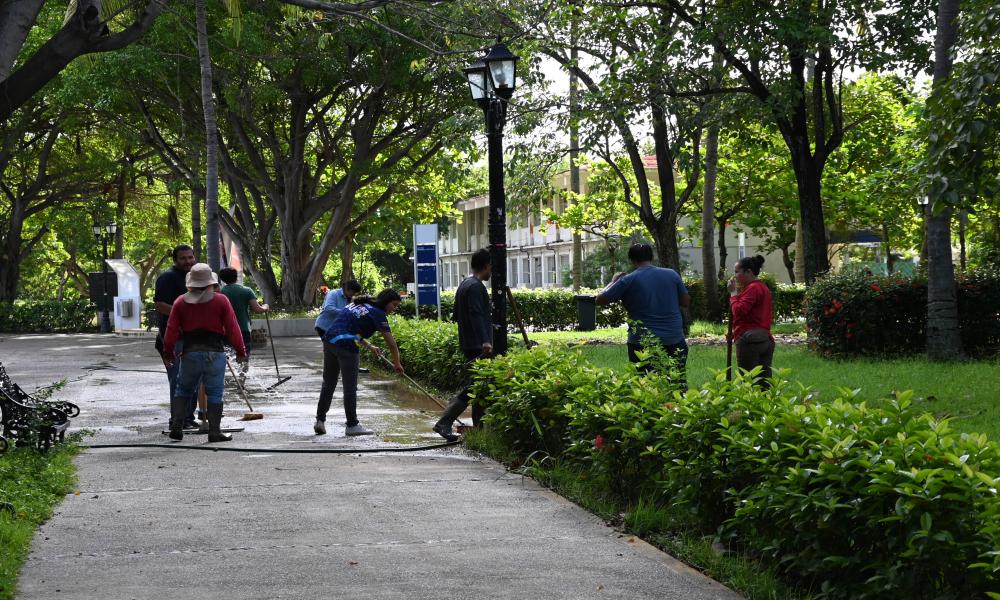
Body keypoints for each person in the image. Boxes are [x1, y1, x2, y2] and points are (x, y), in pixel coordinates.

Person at [162, 263, 247, 442]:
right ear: (211, 283)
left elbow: (171, 331)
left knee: (183, 389)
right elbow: (233, 328)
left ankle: (177, 426)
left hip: (190, 352)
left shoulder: (180, 302)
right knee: (215, 392)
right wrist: (241, 351)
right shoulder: (221, 300)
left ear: (190, 283)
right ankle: (214, 432)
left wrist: (168, 354)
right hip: (214, 353)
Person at [595, 243, 691, 388]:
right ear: (652, 257)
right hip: (674, 338)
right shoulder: (672, 274)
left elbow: (599, 300)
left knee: (646, 385)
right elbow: (686, 301)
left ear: (631, 260)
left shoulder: (628, 280)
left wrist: (612, 282)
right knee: (677, 382)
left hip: (642, 342)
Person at [314, 289, 404, 436]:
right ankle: (352, 425)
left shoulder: (360, 305)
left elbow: (349, 328)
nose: (394, 309)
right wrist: (397, 363)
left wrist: (369, 346)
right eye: (393, 305)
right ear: (386, 302)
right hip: (347, 347)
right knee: (350, 388)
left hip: (329, 340)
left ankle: (320, 420)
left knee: (328, 383)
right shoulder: (378, 314)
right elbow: (392, 344)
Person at [433, 249, 493, 442]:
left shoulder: (465, 284)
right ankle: (445, 422)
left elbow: (458, 315)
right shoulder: (476, 287)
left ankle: (479, 427)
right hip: (477, 344)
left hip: (469, 342)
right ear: (486, 266)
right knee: (475, 386)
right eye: (492, 267)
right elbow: (476, 314)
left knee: (479, 386)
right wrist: (485, 340)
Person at [153, 244, 197, 430]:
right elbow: (159, 305)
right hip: (172, 337)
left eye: (190, 257)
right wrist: (182, 314)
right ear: (175, 260)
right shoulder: (167, 277)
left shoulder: (196, 276)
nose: (187, 261)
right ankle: (177, 420)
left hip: (194, 336)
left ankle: (188, 417)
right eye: (183, 258)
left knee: (196, 377)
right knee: (178, 378)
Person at [727, 255, 774, 388]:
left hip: (749, 340)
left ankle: (752, 407)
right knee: (764, 381)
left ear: (749, 272)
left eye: (737, 271)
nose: (735, 276)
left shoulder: (753, 288)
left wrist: (733, 294)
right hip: (765, 338)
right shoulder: (762, 287)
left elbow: (739, 310)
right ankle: (767, 407)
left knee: (749, 381)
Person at [219, 267, 270, 366]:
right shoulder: (246, 291)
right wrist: (265, 307)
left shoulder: (220, 293)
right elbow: (257, 309)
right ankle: (242, 376)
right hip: (243, 328)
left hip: (226, 330)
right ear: (236, 277)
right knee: (243, 357)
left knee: (227, 356)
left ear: (222, 279)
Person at [314, 280, 368, 373]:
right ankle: (332, 369)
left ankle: (351, 365)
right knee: (332, 347)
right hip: (324, 326)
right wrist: (346, 312)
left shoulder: (349, 298)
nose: (353, 295)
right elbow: (328, 308)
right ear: (347, 289)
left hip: (337, 328)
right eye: (353, 292)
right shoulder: (333, 293)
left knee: (345, 344)